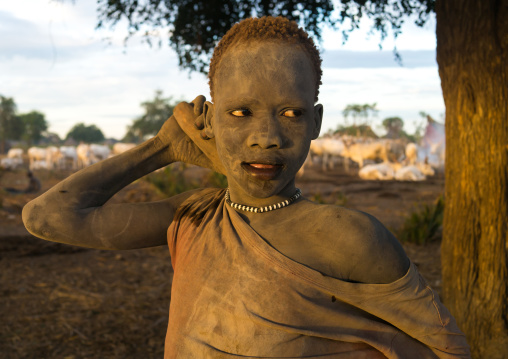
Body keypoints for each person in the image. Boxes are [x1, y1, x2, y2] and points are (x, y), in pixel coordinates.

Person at [22, 17, 470, 358]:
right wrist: (162, 147)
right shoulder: (193, 216)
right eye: (239, 114)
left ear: (316, 123)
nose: (267, 136)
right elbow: (47, 217)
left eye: (291, 113)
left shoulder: (349, 236)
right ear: (212, 119)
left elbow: (445, 349)